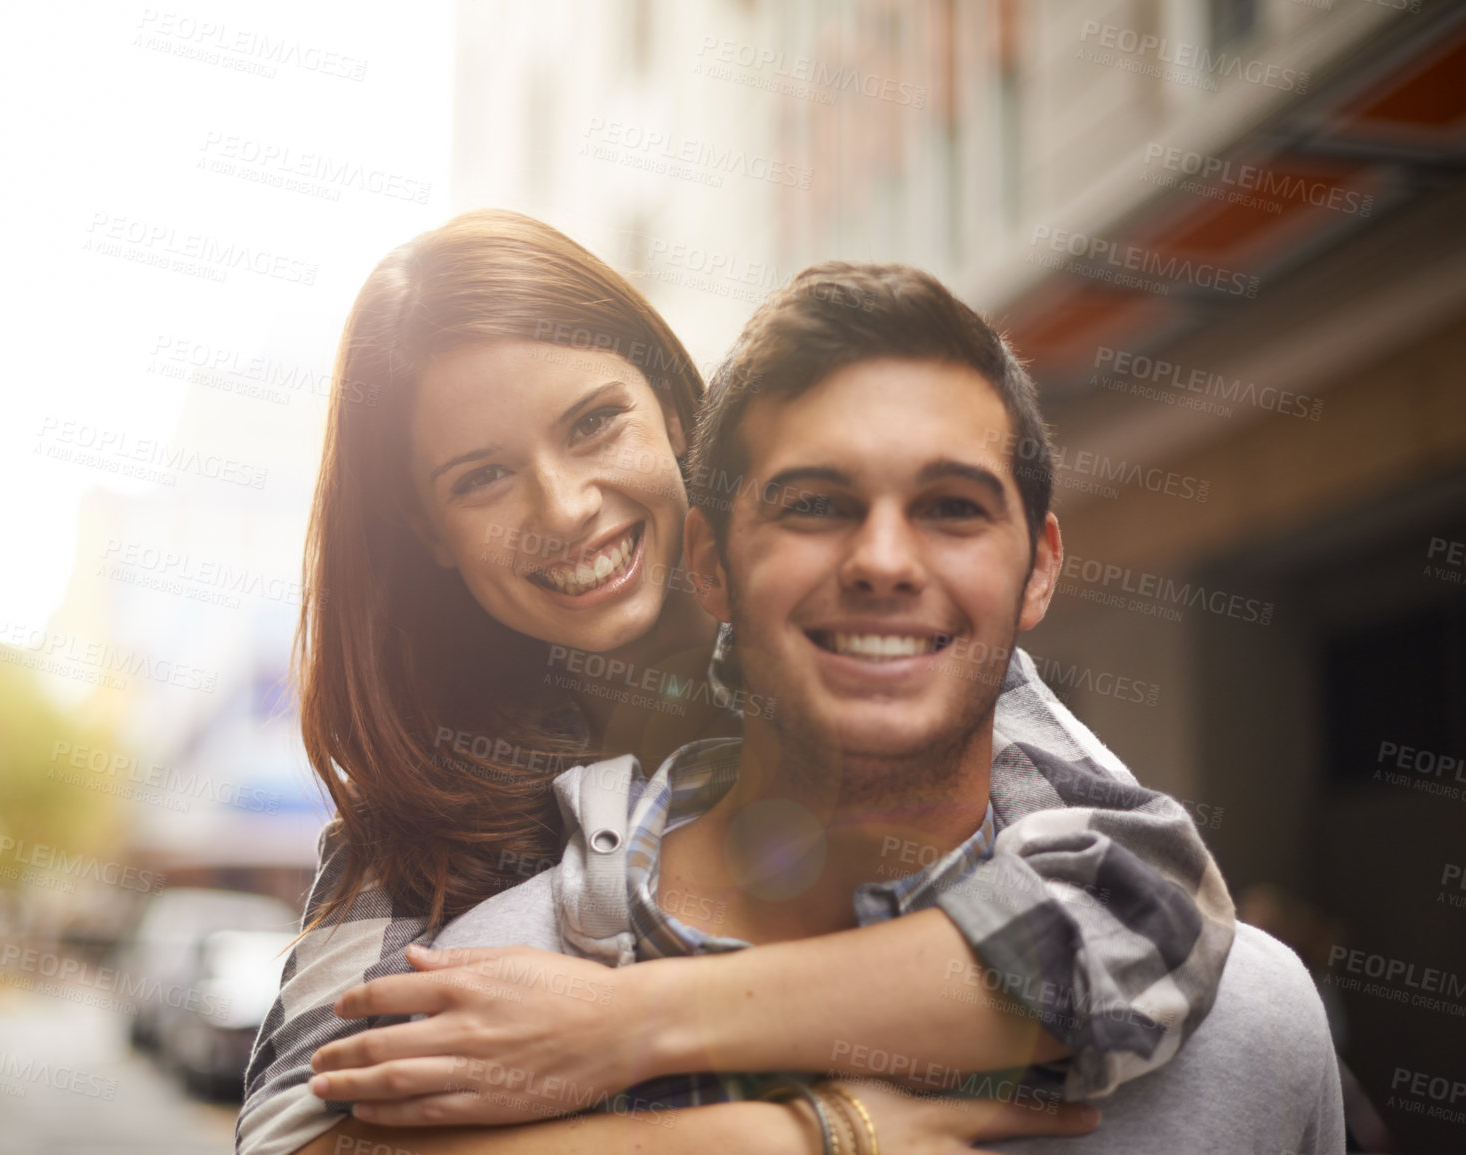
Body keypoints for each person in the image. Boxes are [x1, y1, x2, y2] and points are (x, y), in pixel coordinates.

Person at [237, 214, 1235, 1155]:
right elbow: (291, 1140)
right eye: (481, 478)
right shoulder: (421, 825)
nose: (566, 506)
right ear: (426, 531)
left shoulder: (871, 647)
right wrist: (779, 1136)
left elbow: (1149, 911)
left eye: (592, 424)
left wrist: (628, 1023)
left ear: (672, 407)